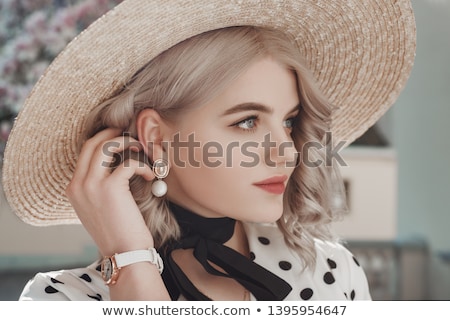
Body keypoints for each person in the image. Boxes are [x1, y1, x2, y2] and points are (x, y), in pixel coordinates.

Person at [2, 0, 416, 301]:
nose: (287, 153)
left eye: (288, 122)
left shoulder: (331, 273)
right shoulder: (61, 301)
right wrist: (129, 262)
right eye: (248, 122)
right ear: (156, 137)